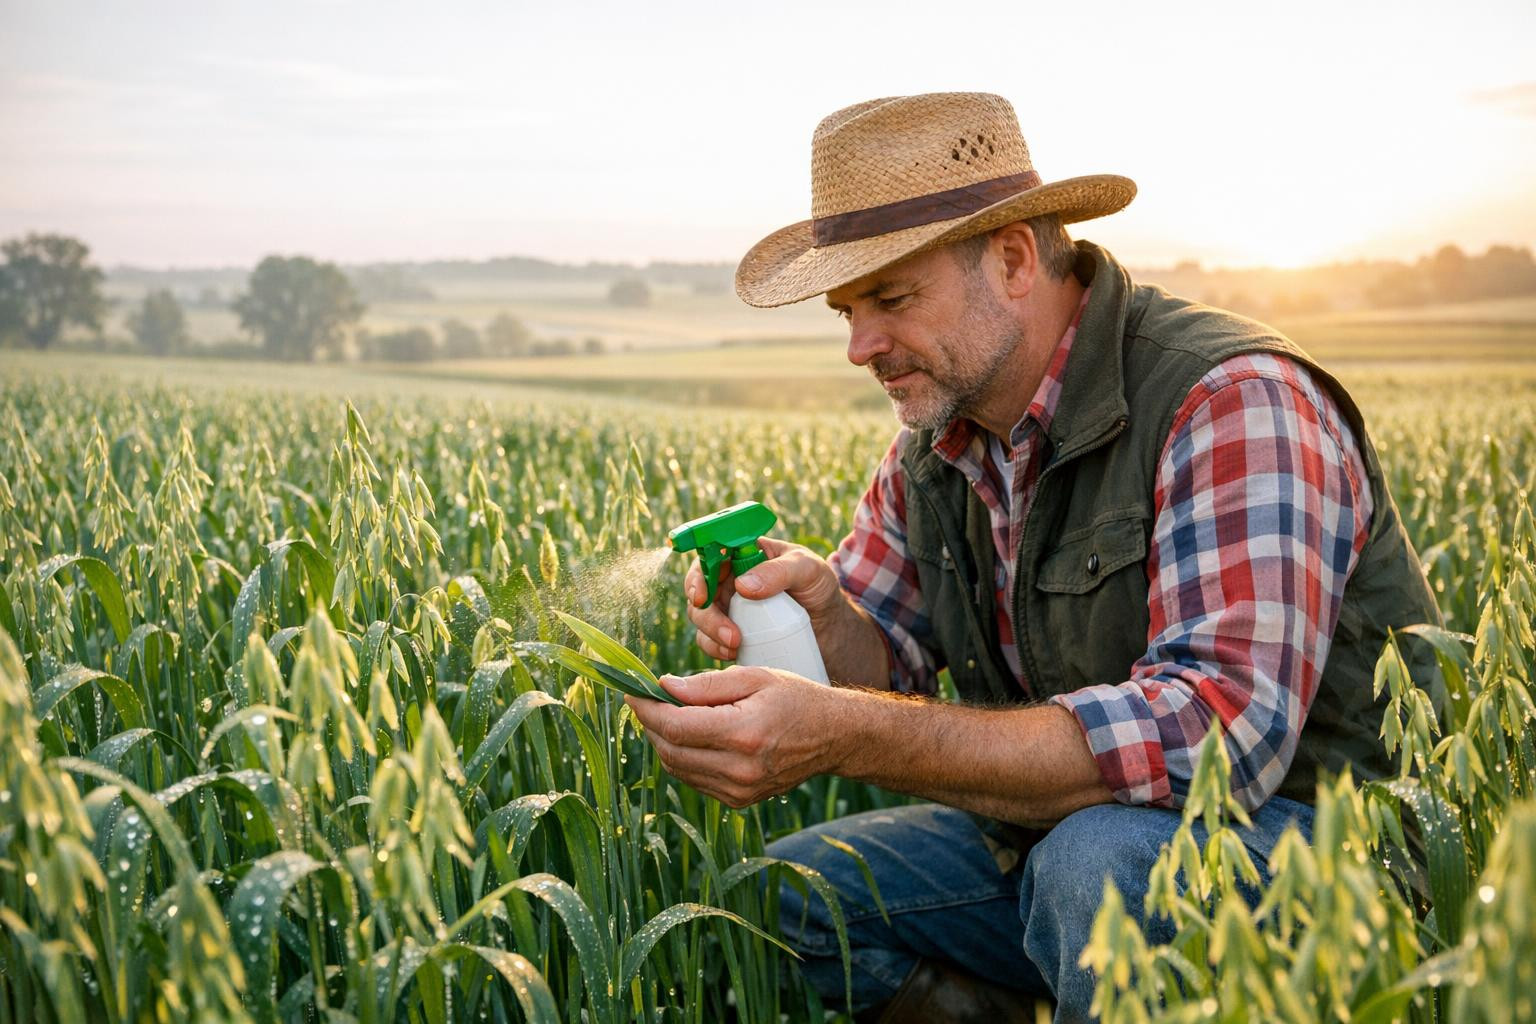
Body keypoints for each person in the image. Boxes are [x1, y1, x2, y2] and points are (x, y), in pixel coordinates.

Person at [623, 92, 1440, 1022]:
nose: (859, 347)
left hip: (1321, 848)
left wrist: (848, 731)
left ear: (1013, 257)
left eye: (891, 298)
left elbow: (1213, 735)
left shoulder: (1230, 401)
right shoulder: (936, 447)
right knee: (789, 896)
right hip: (1056, 842)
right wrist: (823, 617)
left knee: (1097, 869)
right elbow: (888, 660)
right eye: (846, 309)